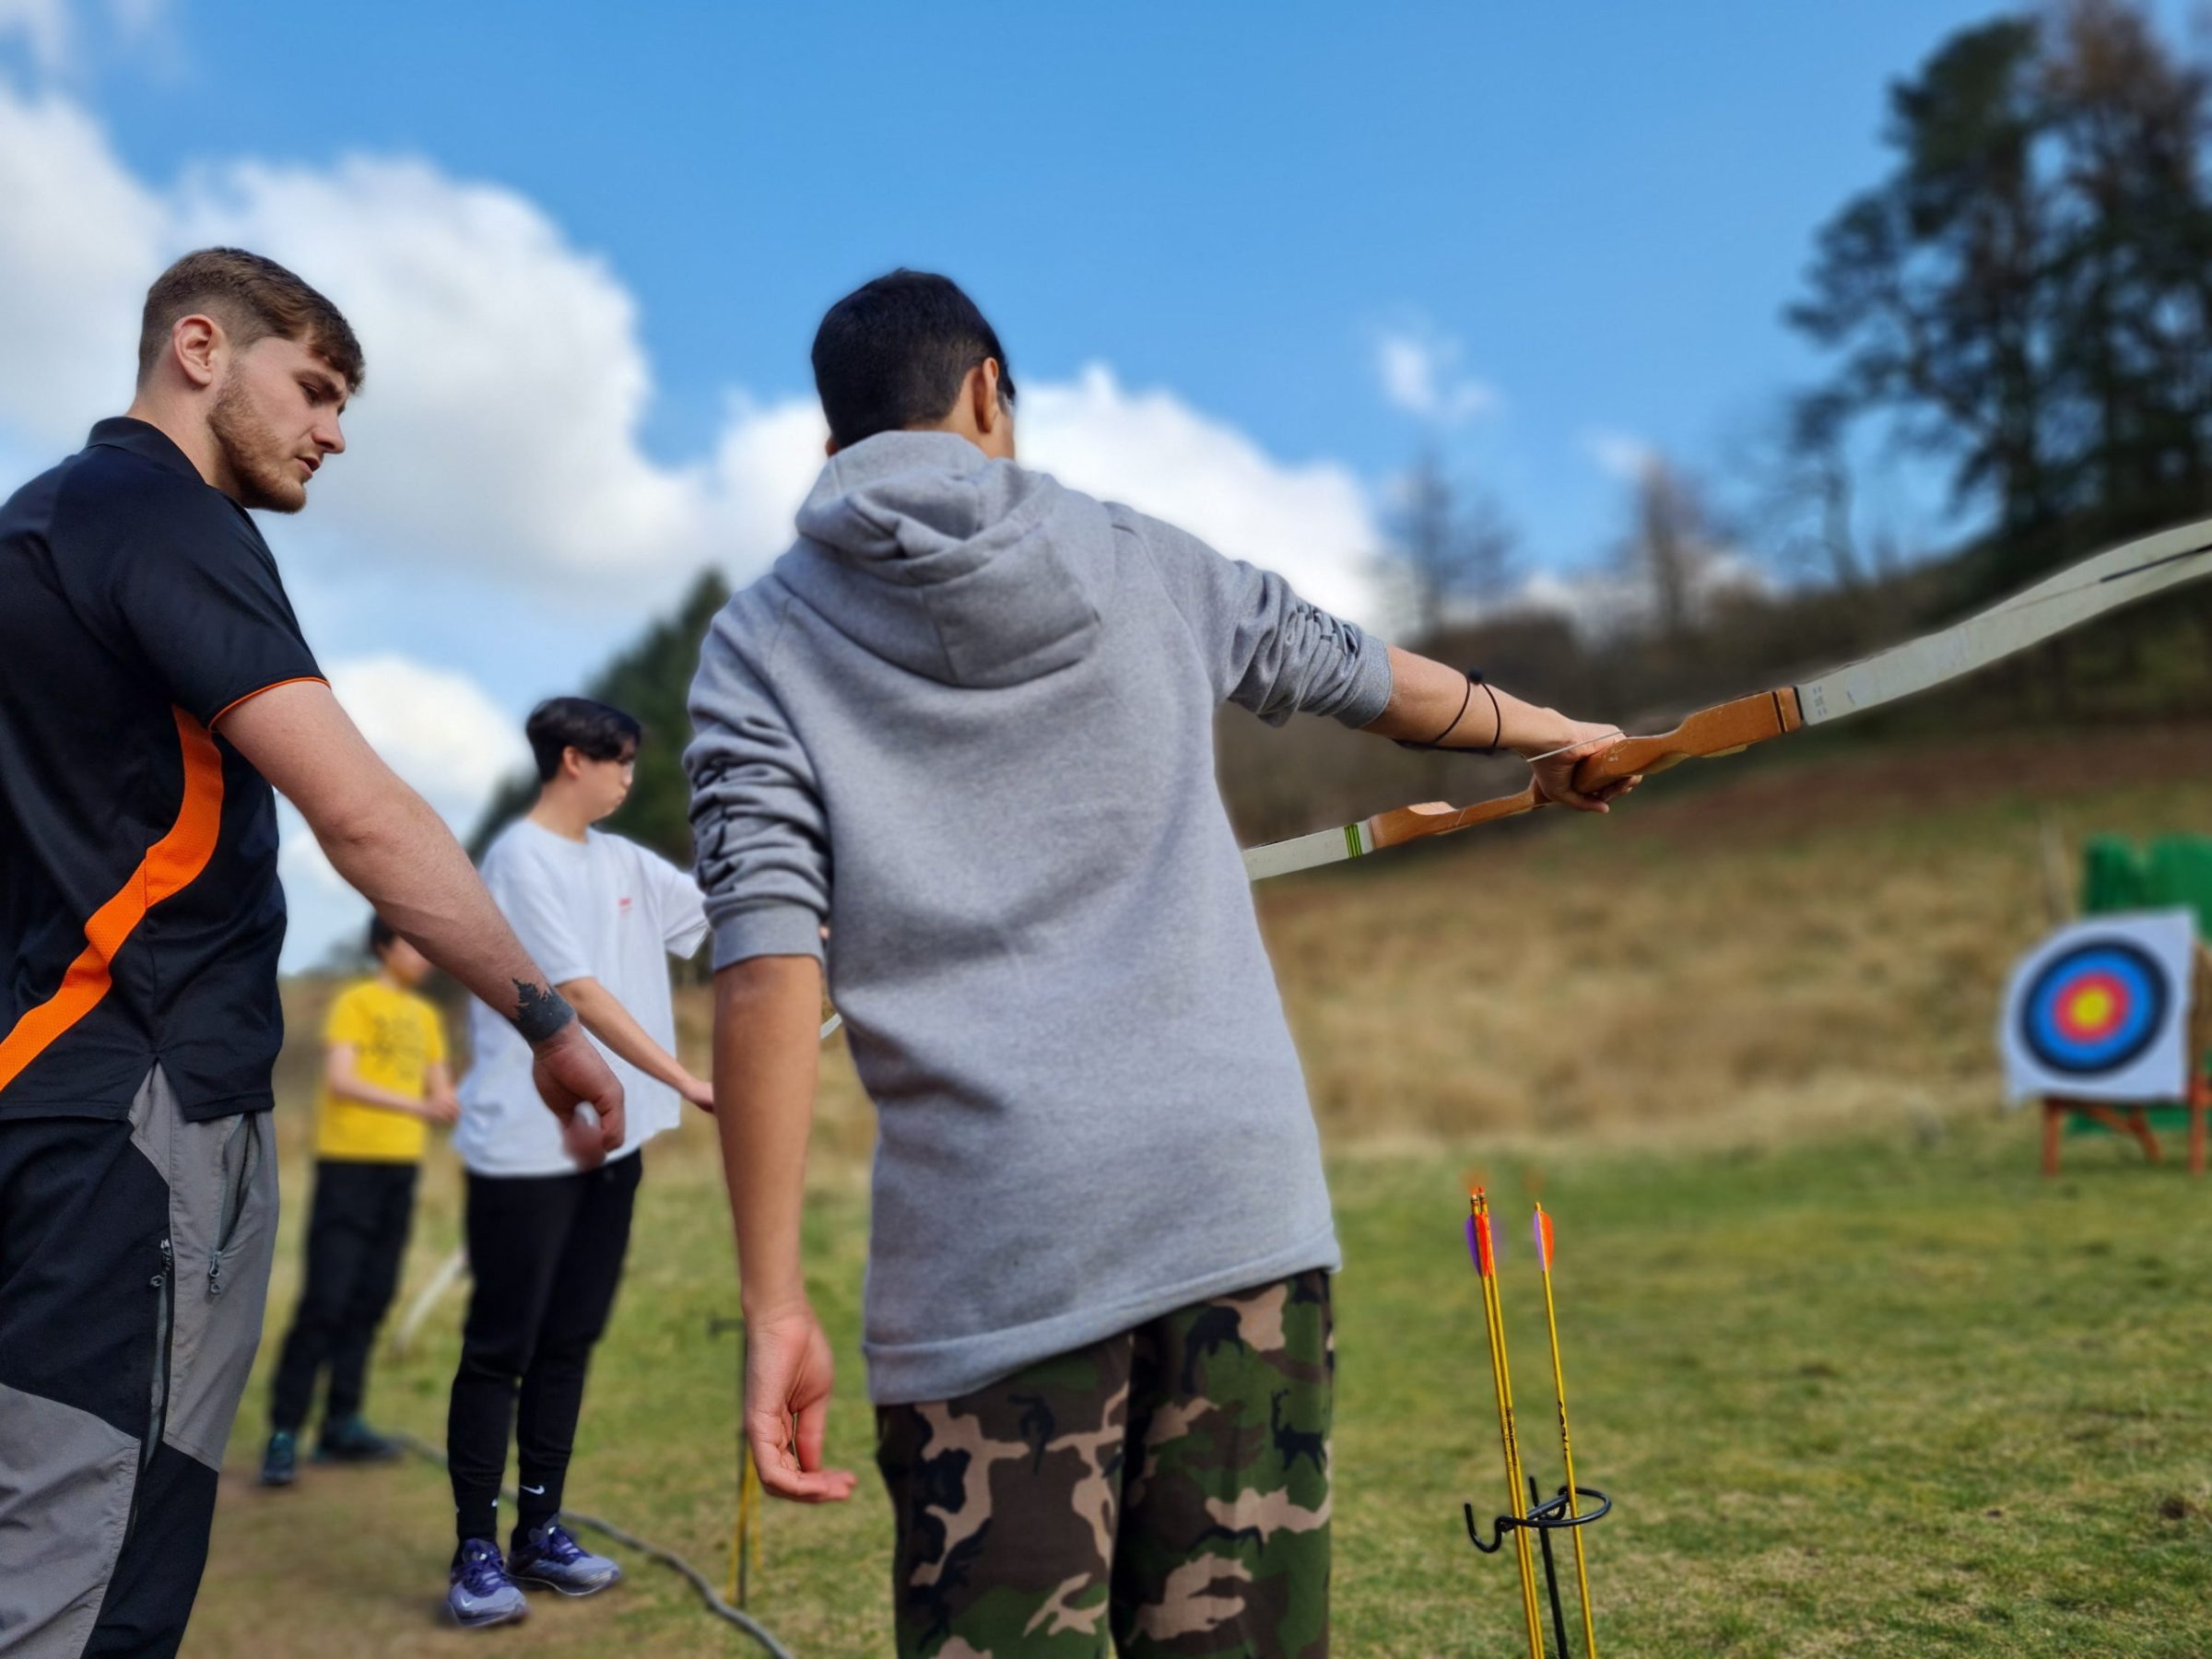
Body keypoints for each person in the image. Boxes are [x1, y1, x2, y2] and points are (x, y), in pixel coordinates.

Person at [686, 269, 1640, 1657]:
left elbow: (767, 971)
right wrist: (1562, 733)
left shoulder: (756, 647)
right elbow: (1361, 675)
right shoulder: (1148, 559)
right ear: (986, 394)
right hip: (1231, 1205)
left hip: (992, 1256)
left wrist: (774, 1300)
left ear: (832, 447)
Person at [0, 247, 622, 1659]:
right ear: (200, 350)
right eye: (318, 389)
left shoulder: (30, 528)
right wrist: (544, 1019)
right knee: (87, 1570)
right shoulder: (161, 516)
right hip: (138, 1112)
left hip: (34, 1093)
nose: (335, 432)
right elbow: (366, 818)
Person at [441, 696, 714, 1629]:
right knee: (502, 1349)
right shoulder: (518, 861)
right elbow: (580, 996)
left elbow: (718, 915)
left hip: (614, 1145)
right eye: (621, 762)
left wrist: (817, 922)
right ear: (572, 760)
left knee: (568, 1342)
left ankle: (540, 1532)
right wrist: (689, 1078)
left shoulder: (628, 861)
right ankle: (475, 1550)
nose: (631, 778)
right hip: (528, 1150)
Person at [260, 915, 460, 1488]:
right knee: (326, 1298)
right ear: (382, 946)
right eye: (411, 943)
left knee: (373, 1294)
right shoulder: (355, 1001)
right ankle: (284, 1431)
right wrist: (420, 1105)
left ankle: (341, 1423)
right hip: (347, 1166)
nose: (422, 954)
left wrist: (447, 1098)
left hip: (400, 1169)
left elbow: (441, 1085)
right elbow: (344, 1080)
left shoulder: (428, 1018)